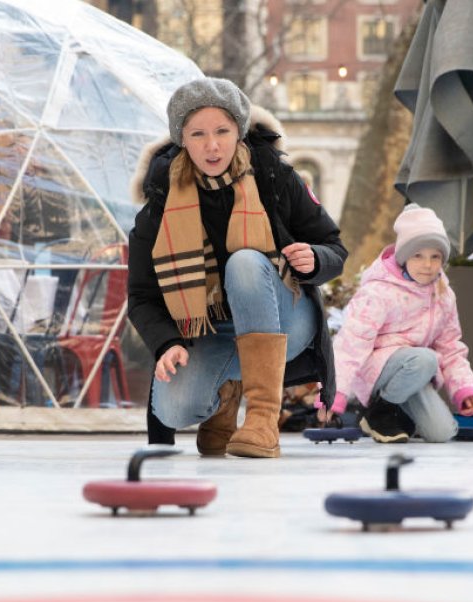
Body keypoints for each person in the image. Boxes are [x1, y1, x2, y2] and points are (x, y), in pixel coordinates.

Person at [128, 77, 347, 458]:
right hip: (214, 330)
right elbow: (142, 295)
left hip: (284, 321)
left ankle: (263, 418)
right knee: (173, 408)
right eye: (197, 134)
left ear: (239, 131)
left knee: (245, 262)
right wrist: (167, 343)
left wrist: (315, 259)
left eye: (222, 131)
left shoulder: (274, 177)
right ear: (182, 138)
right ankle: (227, 394)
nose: (212, 145)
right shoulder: (161, 201)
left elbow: (334, 247)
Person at [318, 205, 473, 443]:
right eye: (418, 255)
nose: (427, 264)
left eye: (435, 256)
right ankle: (380, 412)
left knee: (442, 433)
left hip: (413, 373)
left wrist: (464, 388)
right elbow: (350, 344)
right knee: (425, 359)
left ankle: (390, 412)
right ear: (404, 257)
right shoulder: (379, 292)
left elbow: (450, 346)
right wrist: (334, 394)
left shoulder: (443, 295)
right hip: (376, 372)